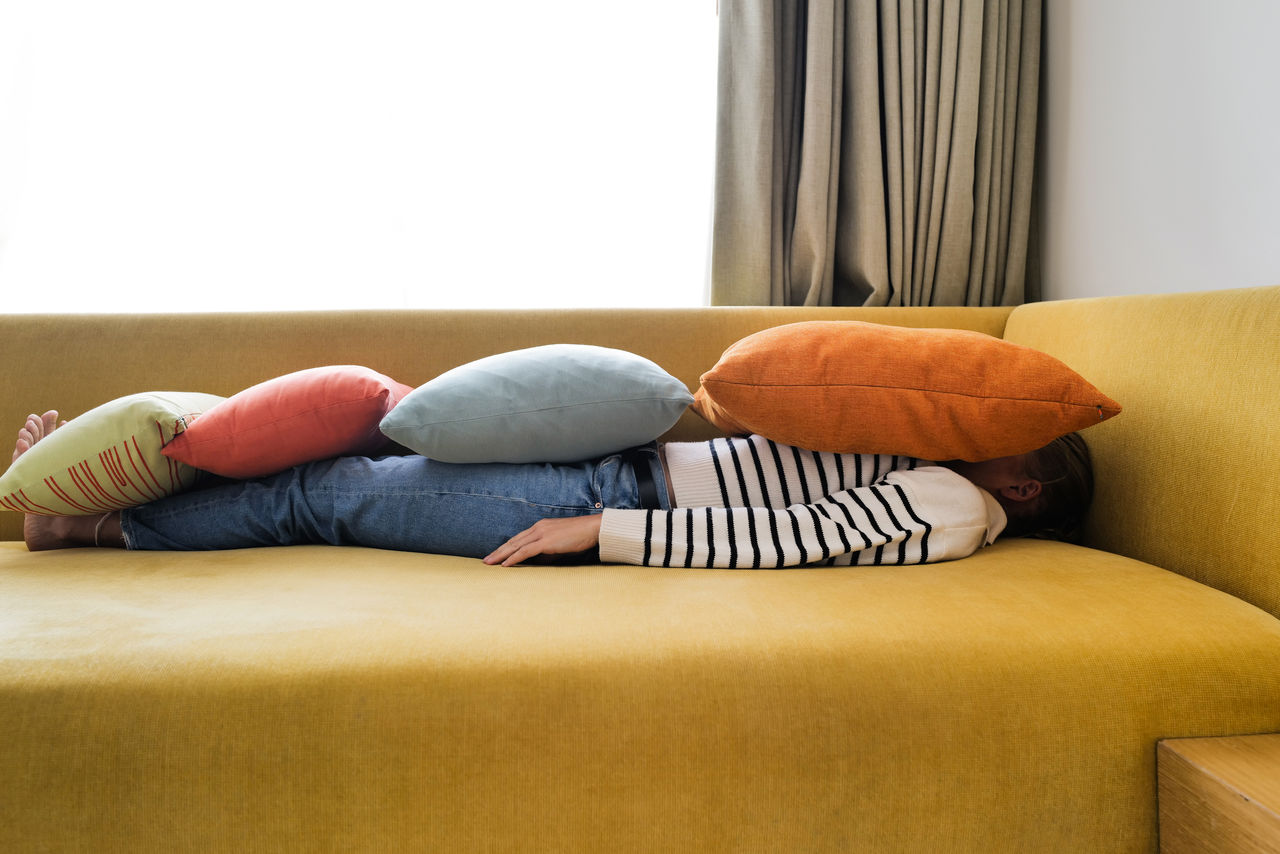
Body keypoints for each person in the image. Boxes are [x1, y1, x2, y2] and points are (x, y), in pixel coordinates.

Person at [13, 409, 1093, 567]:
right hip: (617, 466)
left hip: (613, 501)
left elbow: (788, 535)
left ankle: (97, 523)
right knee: (338, 460)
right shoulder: (935, 465)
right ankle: (113, 481)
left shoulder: (959, 505)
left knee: (328, 494)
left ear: (1026, 486)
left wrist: (597, 531)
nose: (990, 436)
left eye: (1016, 441)